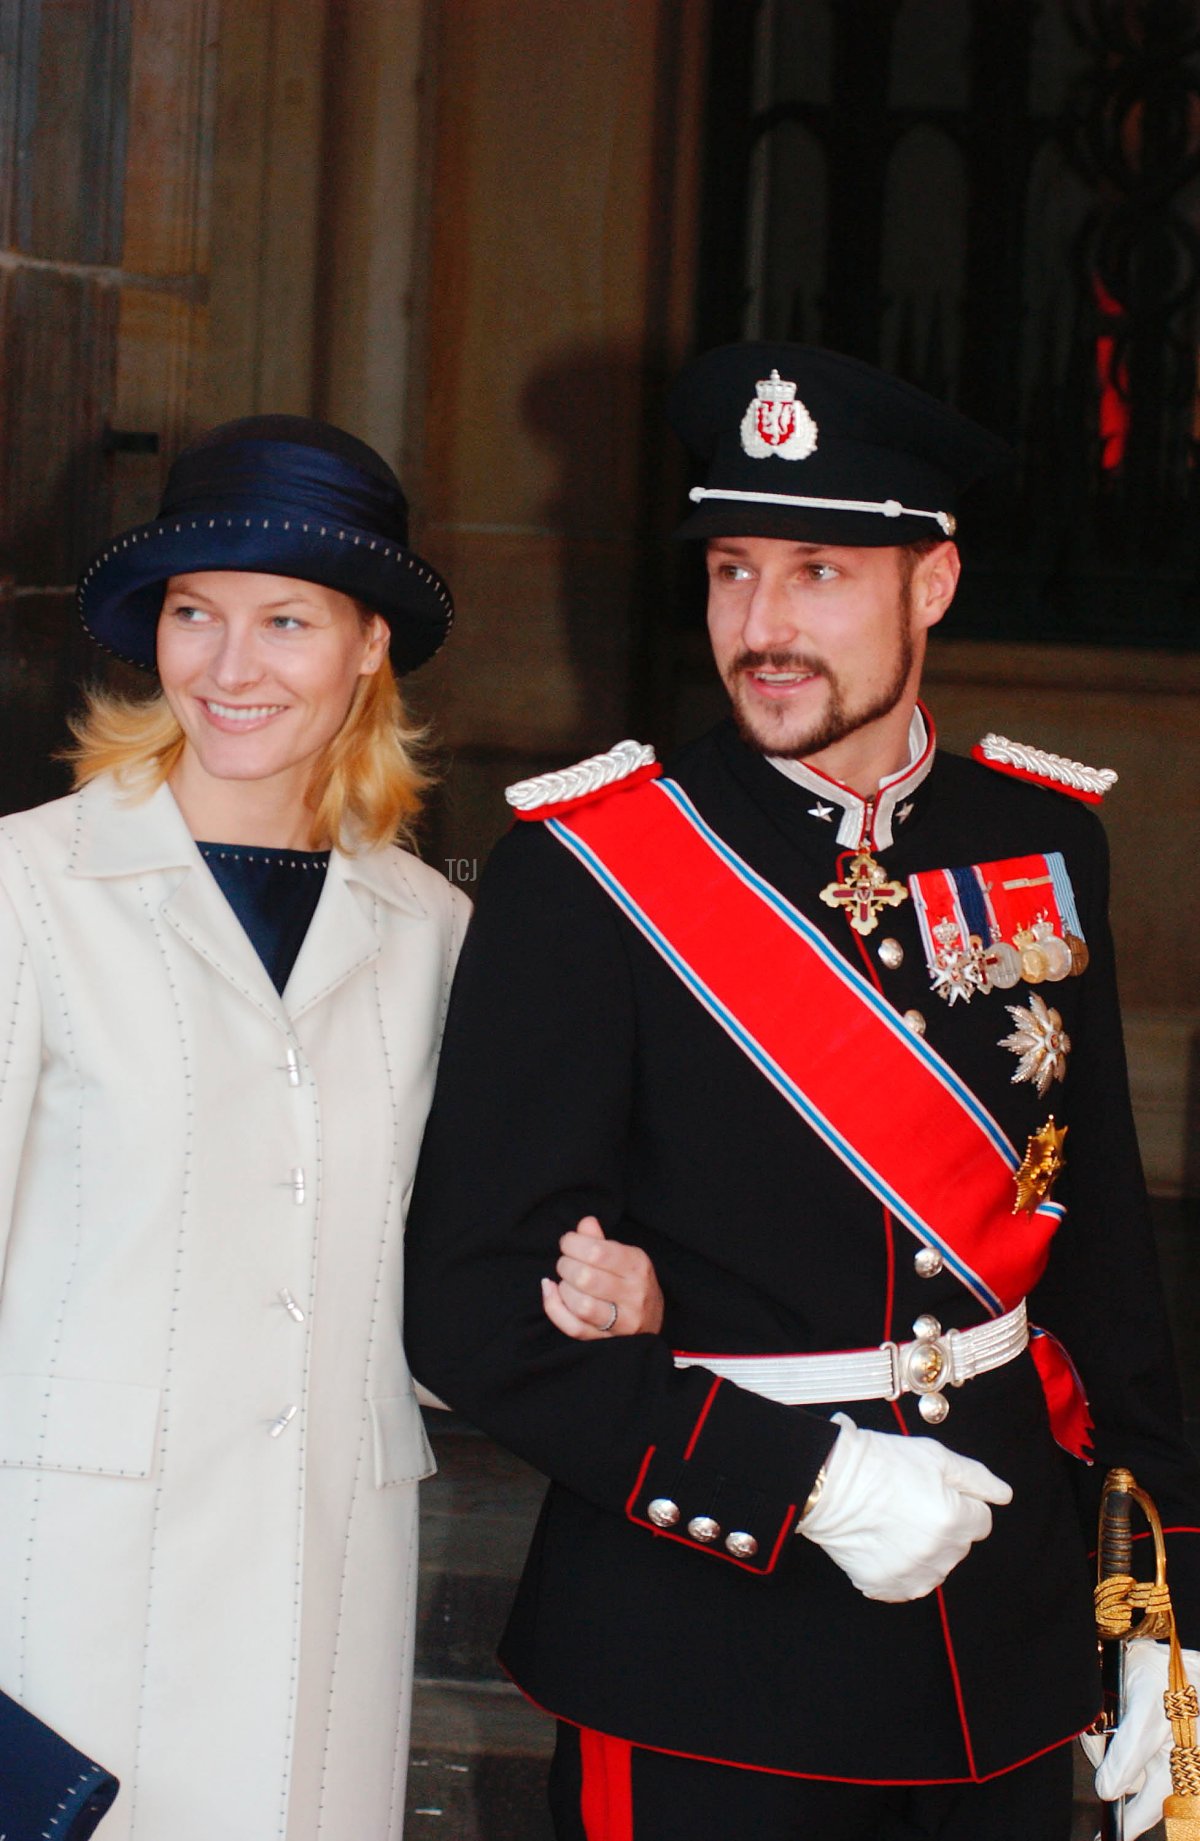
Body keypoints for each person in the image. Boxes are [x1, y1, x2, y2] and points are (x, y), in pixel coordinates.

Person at [403, 345, 1200, 1840]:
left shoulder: (1042, 840)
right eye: (731, 570)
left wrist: (1162, 1607)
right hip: (714, 1644)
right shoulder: (589, 876)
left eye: (820, 572)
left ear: (935, 584)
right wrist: (809, 1481)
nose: (761, 627)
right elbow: (470, 1305)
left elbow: (1099, 1266)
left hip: (1008, 1644)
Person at [0, 415, 654, 1841]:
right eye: (196, 615)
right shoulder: (26, 890)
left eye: (285, 620)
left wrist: (599, 1292)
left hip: (326, 1582)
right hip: (67, 1594)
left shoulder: (434, 929)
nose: (231, 668)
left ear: (368, 647)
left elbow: (446, 1271)